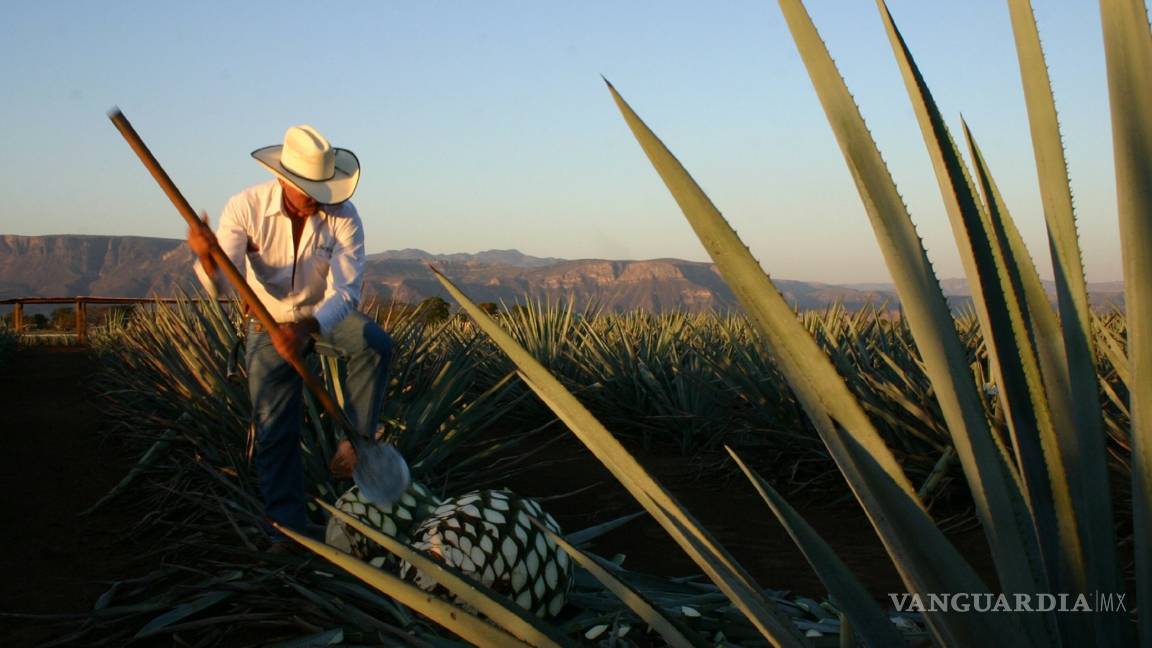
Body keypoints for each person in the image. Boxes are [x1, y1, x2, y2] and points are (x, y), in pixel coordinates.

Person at [187, 125, 393, 549]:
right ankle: (287, 532)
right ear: (282, 178)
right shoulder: (245, 207)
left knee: (374, 344)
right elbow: (222, 284)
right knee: (273, 429)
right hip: (268, 325)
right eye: (307, 189)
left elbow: (347, 292)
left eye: (322, 188)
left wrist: (307, 328)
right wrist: (207, 260)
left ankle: (355, 442)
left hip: (324, 320)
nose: (316, 198)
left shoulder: (344, 216)